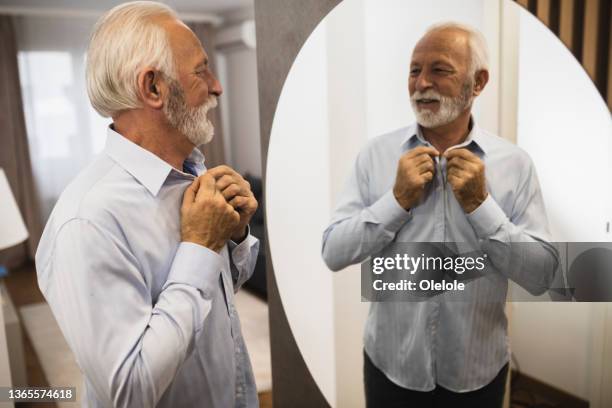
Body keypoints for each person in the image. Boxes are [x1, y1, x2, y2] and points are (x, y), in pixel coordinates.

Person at [322, 22, 558, 408]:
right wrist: (396, 201)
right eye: (414, 70)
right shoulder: (375, 156)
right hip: (390, 369)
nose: (421, 83)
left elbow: (543, 274)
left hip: (477, 375)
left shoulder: (515, 165)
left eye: (439, 69)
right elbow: (333, 251)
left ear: (478, 82)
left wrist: (482, 208)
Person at [35, 2, 259, 407]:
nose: (217, 86)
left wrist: (235, 235)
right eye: (201, 70)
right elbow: (131, 391)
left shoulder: (193, 175)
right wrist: (200, 247)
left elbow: (216, 297)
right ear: (153, 87)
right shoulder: (88, 221)